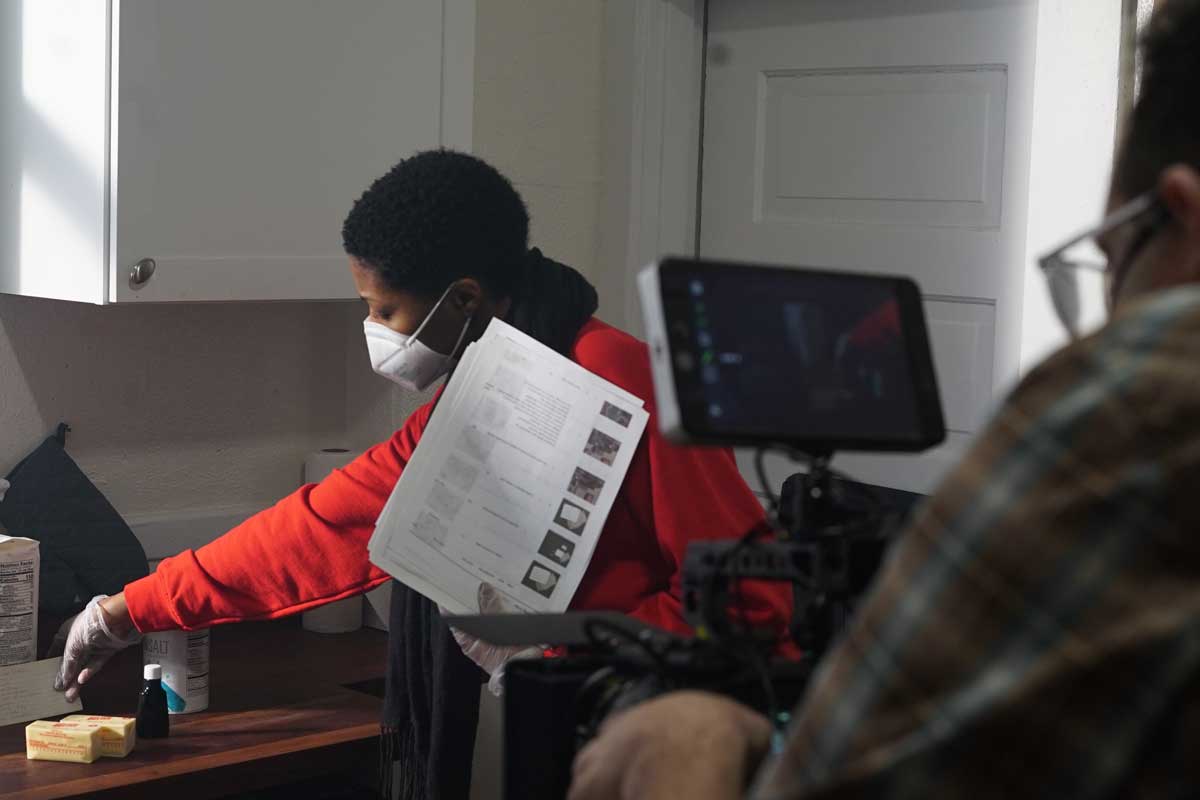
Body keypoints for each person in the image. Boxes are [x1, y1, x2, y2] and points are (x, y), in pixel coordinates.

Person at [569, 2, 1200, 798]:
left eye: (1110, 261)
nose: (1109, 313)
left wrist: (695, 742)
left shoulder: (1142, 399)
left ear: (1180, 216)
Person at [52, 151, 795, 799]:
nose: (373, 328)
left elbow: (751, 602)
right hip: (571, 726)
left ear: (463, 298)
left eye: (384, 308)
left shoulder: (618, 378)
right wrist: (128, 609)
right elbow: (324, 524)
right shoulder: (486, 391)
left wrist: (569, 649)